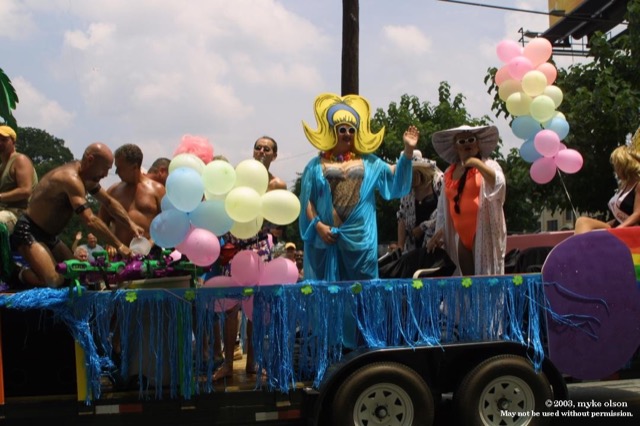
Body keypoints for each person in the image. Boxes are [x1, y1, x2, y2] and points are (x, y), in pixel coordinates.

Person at [298, 93, 415, 283]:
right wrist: (318, 226)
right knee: (327, 295)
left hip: (360, 242)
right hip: (326, 242)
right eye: (342, 129)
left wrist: (408, 151)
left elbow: (394, 176)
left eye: (352, 130)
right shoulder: (314, 166)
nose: (347, 134)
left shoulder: (369, 162)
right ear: (332, 131)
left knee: (363, 294)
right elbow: (307, 202)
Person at [10, 143, 144, 288]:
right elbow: (90, 220)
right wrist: (119, 246)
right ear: (90, 160)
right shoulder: (71, 179)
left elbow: (109, 202)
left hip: (50, 236)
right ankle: (17, 273)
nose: (106, 175)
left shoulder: (88, 178)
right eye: (105, 169)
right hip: (29, 231)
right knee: (54, 280)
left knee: (79, 275)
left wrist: (131, 224)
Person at [214, 136, 286, 381]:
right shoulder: (237, 177)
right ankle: (227, 364)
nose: (262, 151)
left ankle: (253, 362)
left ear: (274, 155)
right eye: (258, 147)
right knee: (230, 307)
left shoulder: (277, 184)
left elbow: (280, 220)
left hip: (260, 246)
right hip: (235, 247)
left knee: (257, 308)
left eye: (267, 148)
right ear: (253, 151)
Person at [426, 125, 506, 276]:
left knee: (484, 280)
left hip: (482, 232)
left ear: (478, 144)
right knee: (467, 282)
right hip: (462, 237)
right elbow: (444, 209)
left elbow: (499, 184)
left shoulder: (489, 165)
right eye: (462, 141)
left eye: (471, 139)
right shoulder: (449, 172)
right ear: (456, 147)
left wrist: (476, 164)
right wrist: (440, 232)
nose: (467, 144)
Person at [99, 144, 165, 253]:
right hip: (120, 254)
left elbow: (166, 222)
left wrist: (150, 243)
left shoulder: (158, 190)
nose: (116, 172)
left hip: (150, 255)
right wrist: (111, 243)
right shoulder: (113, 191)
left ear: (134, 167)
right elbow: (101, 222)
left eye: (120, 168)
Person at [574, 145, 640, 234]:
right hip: (619, 226)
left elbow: (637, 214)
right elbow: (618, 218)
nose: (615, 169)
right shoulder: (624, 186)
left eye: (617, 165)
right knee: (582, 221)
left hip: (632, 231)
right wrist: (602, 226)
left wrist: (619, 228)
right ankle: (581, 243)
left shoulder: (638, 185)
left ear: (625, 165)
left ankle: (582, 243)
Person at [397, 150, 443, 253]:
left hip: (437, 243)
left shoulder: (438, 181)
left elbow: (447, 212)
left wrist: (423, 227)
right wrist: (400, 245)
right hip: (414, 247)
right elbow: (401, 217)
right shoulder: (406, 191)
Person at [0, 125, 38, 233]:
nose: (0, 143)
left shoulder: (20, 160)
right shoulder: (2, 166)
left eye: (4, 140)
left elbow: (25, 191)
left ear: (13, 142)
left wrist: (0, 197)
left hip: (19, 213)